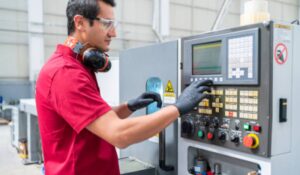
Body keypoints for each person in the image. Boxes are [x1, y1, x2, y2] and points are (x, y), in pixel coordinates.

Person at [35, 0, 213, 175]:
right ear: (80, 23)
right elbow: (119, 135)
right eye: (106, 24)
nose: (113, 33)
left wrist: (128, 107)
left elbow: (93, 120)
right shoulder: (65, 72)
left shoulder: (77, 67)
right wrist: (178, 107)